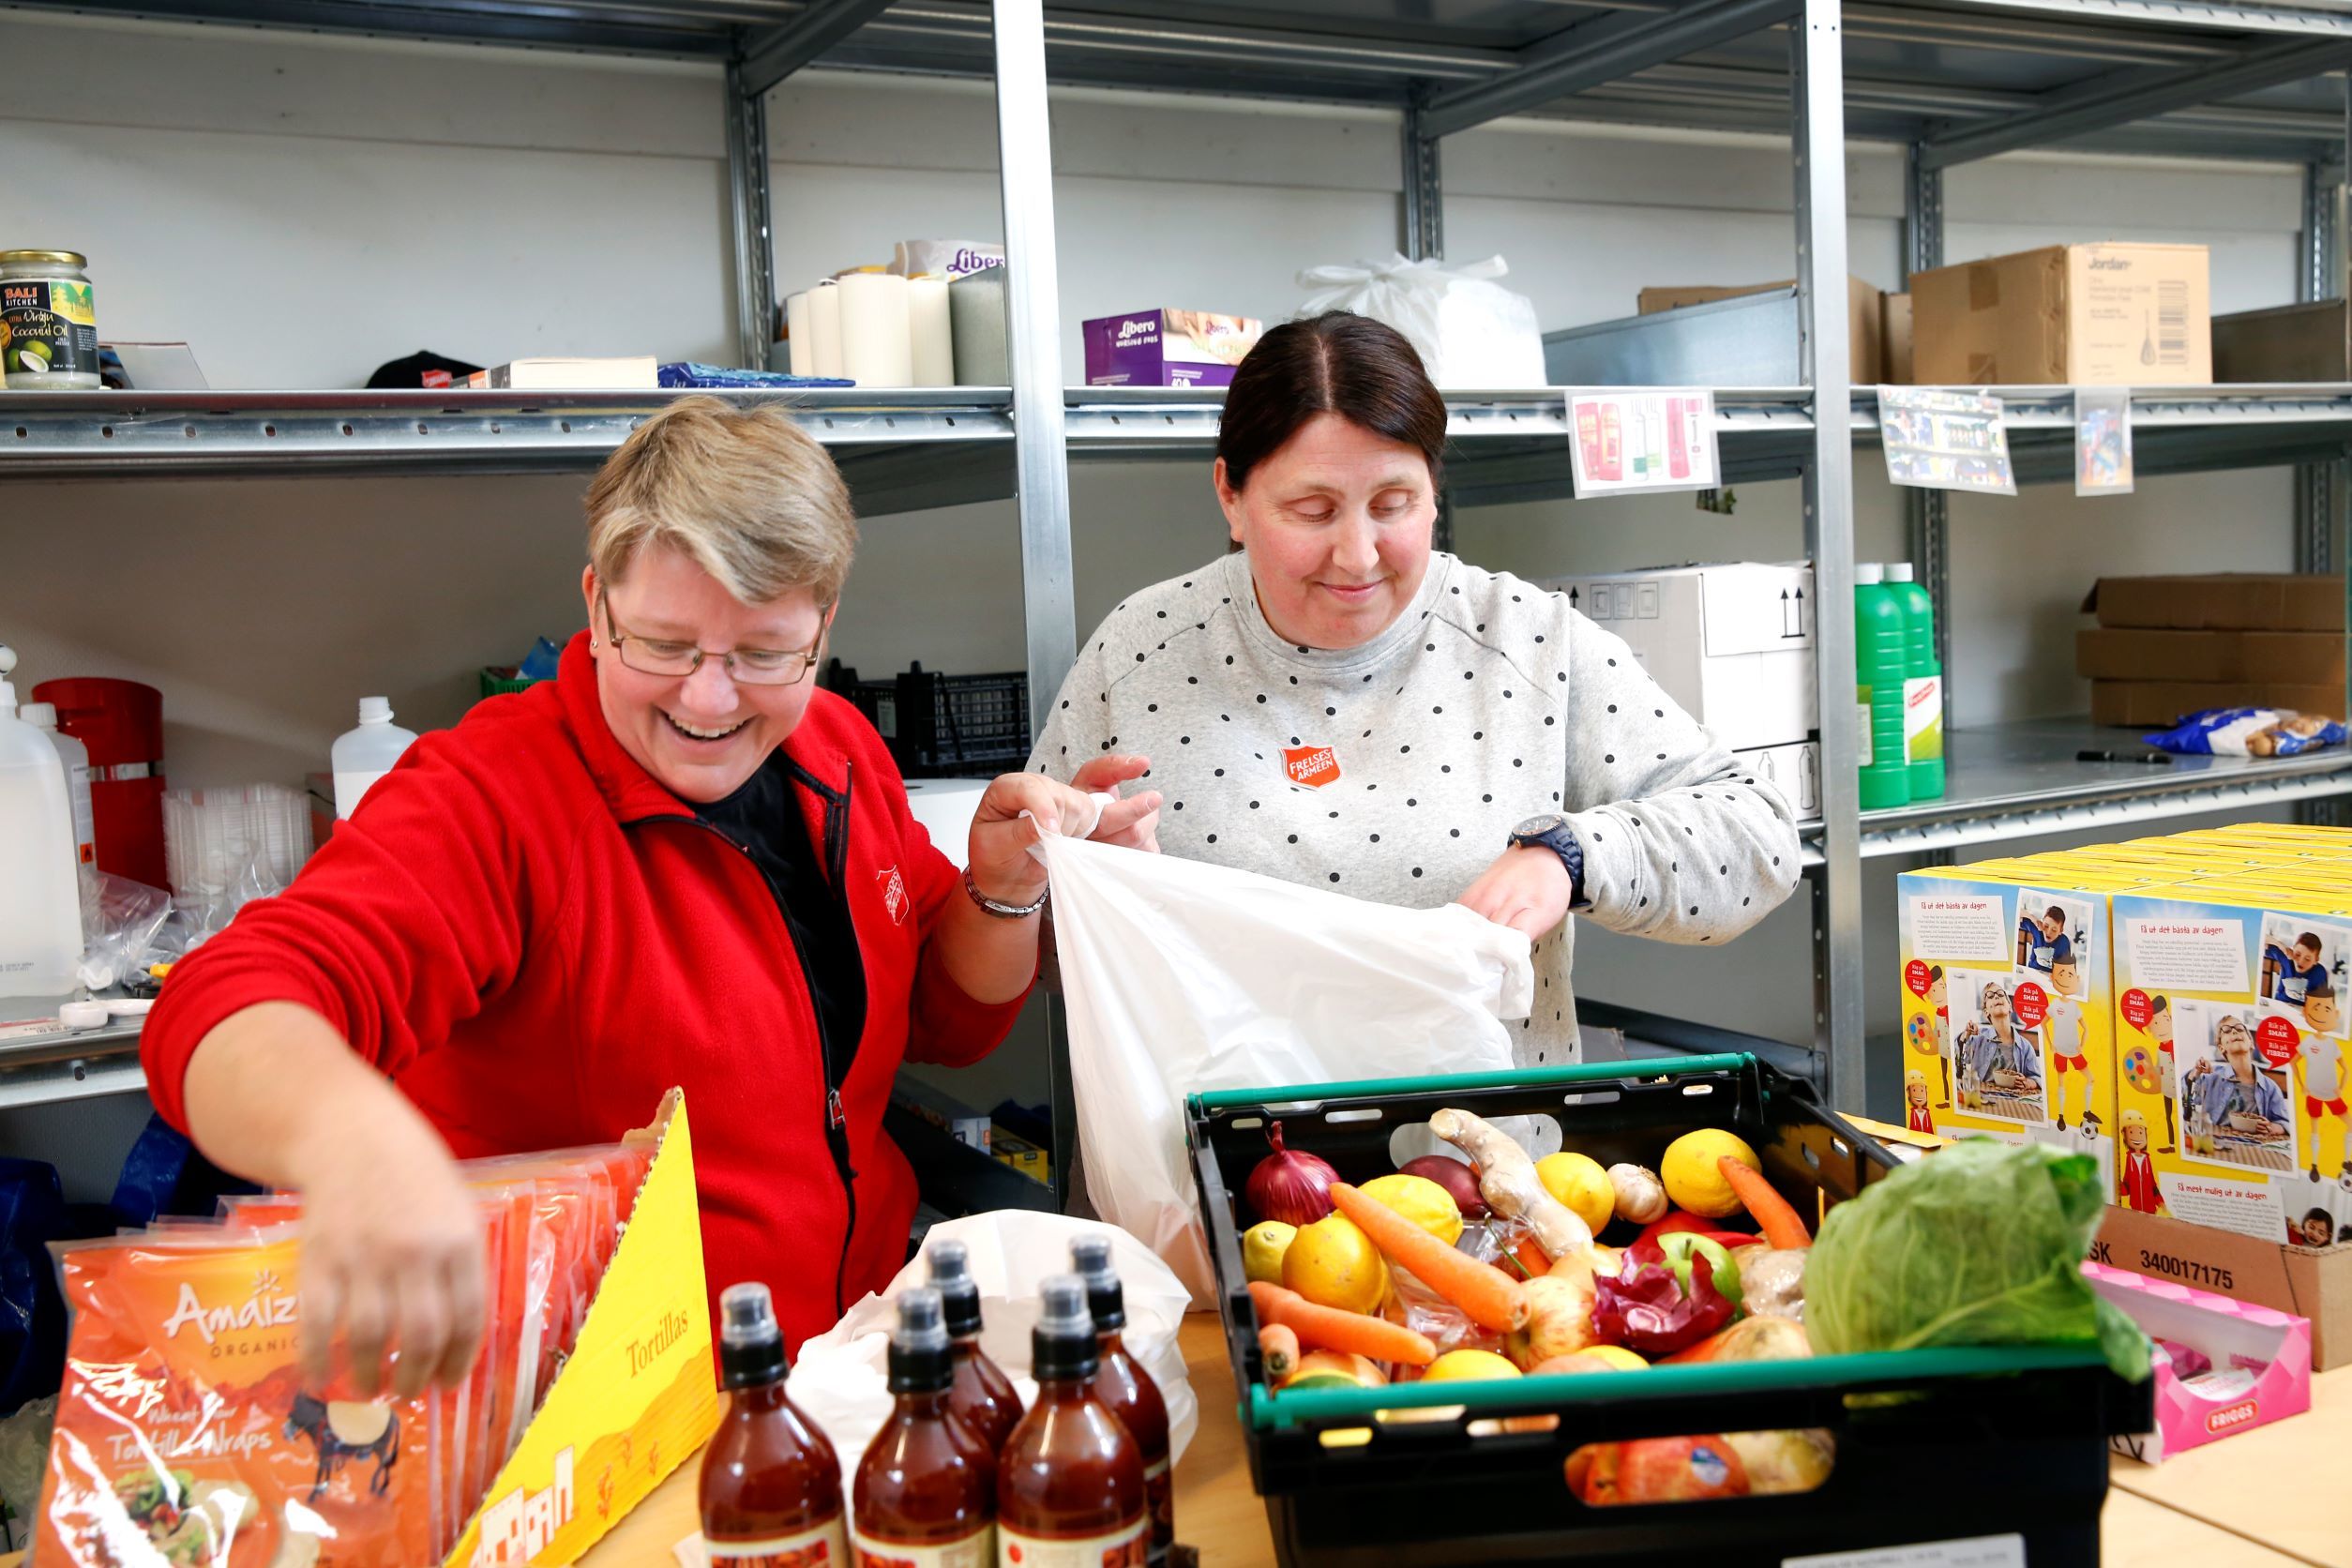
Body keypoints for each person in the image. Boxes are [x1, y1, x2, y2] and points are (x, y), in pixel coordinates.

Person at [138, 399, 1147, 1395]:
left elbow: (937, 1013)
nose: (709, 700)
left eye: (762, 653)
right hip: (609, 1416)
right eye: (663, 644)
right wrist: (353, 1144)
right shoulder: (496, 794)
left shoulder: (836, 750)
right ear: (596, 604)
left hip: (848, 1369)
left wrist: (1005, 889)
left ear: (823, 624)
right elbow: (228, 998)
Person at [1028, 313, 1800, 1067]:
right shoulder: (1143, 650)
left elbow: (1758, 839)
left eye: (1393, 505)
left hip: (1487, 1171)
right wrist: (1096, 890)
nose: (1358, 554)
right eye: (1313, 510)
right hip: (1204, 1175)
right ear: (1231, 495)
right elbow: (1024, 947)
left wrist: (1571, 857)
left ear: (1434, 490)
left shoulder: (1526, 640)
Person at [2187, 1015, 2293, 1145]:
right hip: (2215, 1145)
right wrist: (2195, 1073)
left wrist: (2273, 1127)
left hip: (2253, 1148)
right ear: (2221, 1048)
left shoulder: (2270, 1087)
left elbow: (2286, 1123)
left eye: (2240, 1028)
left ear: (2251, 1043)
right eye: (2226, 1030)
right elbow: (2184, 1101)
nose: (2234, 1031)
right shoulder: (2211, 1078)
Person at [1958, 982, 2042, 1097]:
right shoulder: (1977, 1039)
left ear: (2010, 1006)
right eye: (1990, 996)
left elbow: (2037, 1078)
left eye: (2001, 994)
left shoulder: (2025, 1046)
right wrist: (1965, 1036)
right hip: (1981, 1097)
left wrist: (2027, 1083)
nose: (1996, 996)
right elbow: (1957, 1059)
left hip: (2012, 1100)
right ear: (1986, 1011)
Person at [2299, 1019, 2348, 1181]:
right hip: (2313, 1093)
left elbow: (2346, 1069)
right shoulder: (2307, 1041)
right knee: (2315, 1130)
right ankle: (2314, 1166)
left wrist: (2341, 1088)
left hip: (2331, 1093)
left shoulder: (2333, 1043)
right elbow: (2293, 1062)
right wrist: (2302, 1085)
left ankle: (2347, 1161)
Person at [2265, 930, 2329, 1007]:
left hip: (2304, 1011)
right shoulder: (2286, 958)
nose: (2301, 961)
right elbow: (2260, 938)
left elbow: (2323, 1002)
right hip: (2280, 1005)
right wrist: (2281, 946)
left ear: (2316, 960)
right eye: (2298, 954)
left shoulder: (2319, 973)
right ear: (2293, 949)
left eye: (2307, 959)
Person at [2118, 1108, 2163, 1215]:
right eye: (2131, 1132)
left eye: (2141, 1132)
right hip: (2135, 1211)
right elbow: (2127, 1188)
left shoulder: (2147, 1159)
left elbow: (2153, 1186)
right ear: (2124, 1135)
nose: (2137, 1136)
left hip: (2151, 1209)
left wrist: (2160, 1202)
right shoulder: (2129, 1159)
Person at [2019, 906, 2072, 974]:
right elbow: (2016, 912)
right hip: (2032, 972)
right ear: (2043, 921)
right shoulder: (2037, 929)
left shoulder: (2064, 942)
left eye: (2054, 930)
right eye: (2046, 926)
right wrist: (2033, 918)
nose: (2048, 932)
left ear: (2061, 931)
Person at [1904, 1069, 1936, 1137]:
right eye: (1914, 1090)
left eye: (1922, 1090)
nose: (1919, 1094)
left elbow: (1930, 1129)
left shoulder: (1927, 1112)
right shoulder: (1913, 1112)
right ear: (1909, 1093)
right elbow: (1912, 1127)